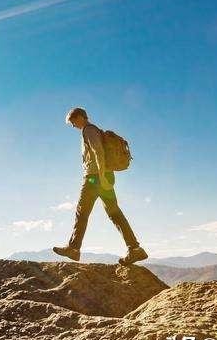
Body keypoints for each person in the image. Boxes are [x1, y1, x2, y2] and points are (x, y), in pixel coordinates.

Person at [53, 107, 148, 265]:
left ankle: (74, 248)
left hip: (94, 178)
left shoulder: (89, 130)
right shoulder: (95, 130)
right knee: (114, 213)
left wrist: (102, 176)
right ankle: (135, 249)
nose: (72, 125)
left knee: (82, 212)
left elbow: (98, 152)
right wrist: (105, 176)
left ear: (81, 117)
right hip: (104, 176)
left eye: (73, 121)